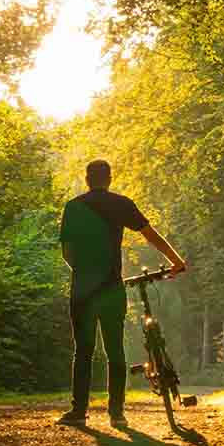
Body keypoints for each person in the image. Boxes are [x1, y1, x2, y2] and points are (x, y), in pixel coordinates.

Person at [57, 159, 187, 428]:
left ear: (87, 179)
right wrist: (176, 260)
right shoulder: (122, 204)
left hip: (83, 290)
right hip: (112, 289)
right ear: (110, 179)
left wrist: (84, 274)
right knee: (115, 351)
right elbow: (150, 235)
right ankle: (117, 414)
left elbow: (67, 252)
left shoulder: (73, 207)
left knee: (83, 351)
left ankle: (78, 412)